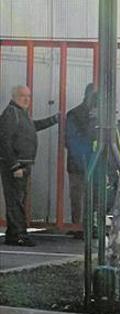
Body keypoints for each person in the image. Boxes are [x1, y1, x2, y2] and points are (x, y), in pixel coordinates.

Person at [0, 85, 59, 247]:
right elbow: (4, 141)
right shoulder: (12, 114)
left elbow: (32, 127)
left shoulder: (20, 114)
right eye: (22, 96)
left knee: (18, 200)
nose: (26, 99)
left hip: (22, 165)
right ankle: (19, 235)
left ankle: (14, 233)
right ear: (13, 97)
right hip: (16, 167)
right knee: (16, 201)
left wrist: (53, 120)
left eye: (28, 96)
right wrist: (14, 166)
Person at [64, 84, 98, 239]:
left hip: (93, 163)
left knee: (93, 196)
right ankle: (79, 227)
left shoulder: (100, 116)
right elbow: (70, 141)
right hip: (80, 164)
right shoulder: (75, 114)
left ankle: (89, 226)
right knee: (79, 197)